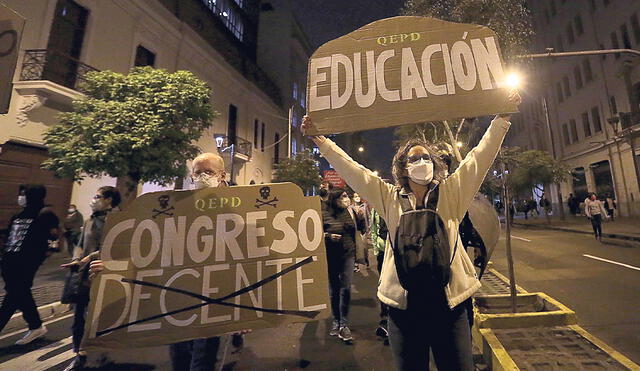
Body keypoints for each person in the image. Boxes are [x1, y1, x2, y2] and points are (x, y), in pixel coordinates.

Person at [302, 91, 520, 370]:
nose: (422, 163)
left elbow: (481, 156)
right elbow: (352, 170)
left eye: (426, 158)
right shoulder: (388, 197)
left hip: (451, 307)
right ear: (403, 168)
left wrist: (503, 117)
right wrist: (319, 139)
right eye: (415, 159)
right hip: (404, 309)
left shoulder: (453, 192)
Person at [61, 186, 121, 370]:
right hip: (82, 275)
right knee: (79, 318)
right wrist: (76, 259)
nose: (93, 200)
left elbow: (113, 246)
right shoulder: (88, 220)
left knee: (99, 318)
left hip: (103, 274)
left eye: (97, 196)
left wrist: (89, 258)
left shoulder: (117, 220)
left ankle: (100, 354)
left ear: (109, 200)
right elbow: (80, 244)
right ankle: (79, 355)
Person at [0, 185, 59, 344]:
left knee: (14, 293)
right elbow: (11, 236)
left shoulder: (45, 214)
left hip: (27, 262)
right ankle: (36, 326)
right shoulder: (18, 216)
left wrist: (43, 255)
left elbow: (54, 238)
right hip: (9, 261)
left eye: (24, 194)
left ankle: (36, 326)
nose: (21, 197)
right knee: (18, 293)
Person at [322, 188, 362, 343]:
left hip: (348, 254)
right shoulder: (324, 214)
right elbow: (315, 234)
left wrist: (360, 218)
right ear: (335, 199)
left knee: (346, 288)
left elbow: (360, 230)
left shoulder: (350, 212)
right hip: (331, 256)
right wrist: (328, 236)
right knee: (334, 290)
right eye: (343, 197)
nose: (347, 199)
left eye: (347, 196)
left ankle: (344, 324)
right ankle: (336, 321)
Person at [369, 207, 389, 342]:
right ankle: (385, 321)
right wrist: (376, 249)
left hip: (398, 251)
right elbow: (374, 229)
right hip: (383, 252)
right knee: (384, 285)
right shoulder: (376, 209)